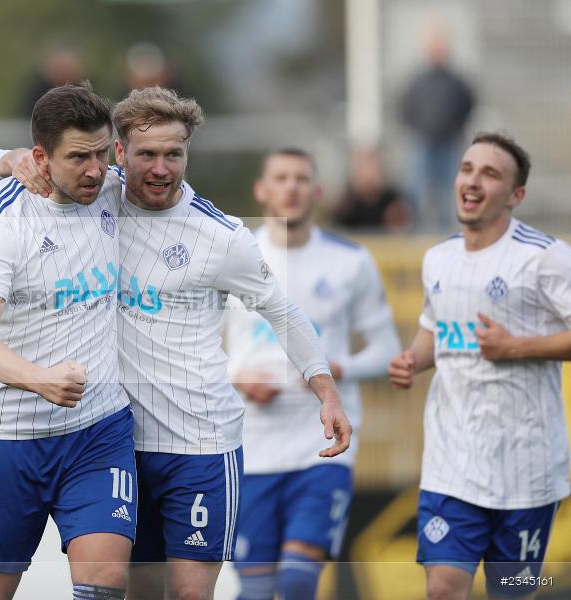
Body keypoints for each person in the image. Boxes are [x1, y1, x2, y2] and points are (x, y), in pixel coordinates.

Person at [0, 86, 353, 600]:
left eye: (174, 154)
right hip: (121, 444)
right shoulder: (97, 191)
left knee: (191, 595)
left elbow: (281, 312)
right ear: (120, 156)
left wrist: (325, 390)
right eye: (146, 154)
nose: (161, 169)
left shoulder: (221, 236)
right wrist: (7, 159)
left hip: (200, 443)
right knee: (133, 591)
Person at [0, 83, 136, 600]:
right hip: (7, 437)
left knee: (108, 580)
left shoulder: (113, 189)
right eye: (78, 157)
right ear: (40, 159)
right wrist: (41, 380)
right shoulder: (1, 218)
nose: (95, 169)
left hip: (98, 431)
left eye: (102, 152)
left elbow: (168, 175)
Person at [388, 132, 571, 600]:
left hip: (526, 470)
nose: (472, 181)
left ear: (516, 195)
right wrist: (413, 359)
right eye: (467, 169)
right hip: (453, 464)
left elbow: (511, 345)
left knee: (511, 592)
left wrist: (516, 348)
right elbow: (435, 326)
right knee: (443, 588)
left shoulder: (545, 257)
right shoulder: (438, 258)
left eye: (490, 174)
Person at [224, 148, 400, 600]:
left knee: (300, 580)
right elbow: (199, 346)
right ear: (261, 190)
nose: (292, 187)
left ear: (318, 192)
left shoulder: (350, 261)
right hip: (250, 448)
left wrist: (339, 368)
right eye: (280, 178)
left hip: (322, 448)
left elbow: (387, 351)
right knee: (257, 592)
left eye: (302, 178)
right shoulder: (231, 255)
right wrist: (238, 379)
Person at [400, 22, 476, 232]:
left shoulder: (456, 81)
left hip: (449, 143)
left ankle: (446, 232)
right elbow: (405, 108)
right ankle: (414, 231)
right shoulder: (417, 80)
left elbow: (468, 105)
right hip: (423, 143)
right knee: (416, 191)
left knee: (448, 192)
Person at [333, 145, 411, 232]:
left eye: (371, 163)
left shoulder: (392, 200)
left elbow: (401, 231)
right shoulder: (348, 202)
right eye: (362, 165)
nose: (368, 171)